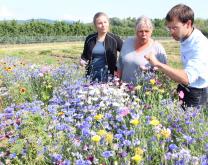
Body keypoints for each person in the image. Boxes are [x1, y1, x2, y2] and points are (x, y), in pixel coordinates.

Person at [145, 4, 208, 109]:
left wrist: (157, 64)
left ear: (188, 24)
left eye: (174, 28)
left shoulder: (199, 45)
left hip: (196, 94)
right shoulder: (186, 36)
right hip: (186, 88)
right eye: (169, 28)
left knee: (188, 124)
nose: (171, 32)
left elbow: (187, 78)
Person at [116, 16, 167, 85]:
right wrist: (117, 84)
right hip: (124, 89)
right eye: (141, 31)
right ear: (136, 31)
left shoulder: (157, 48)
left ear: (151, 31)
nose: (144, 34)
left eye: (147, 31)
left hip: (145, 93)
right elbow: (120, 66)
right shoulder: (127, 43)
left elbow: (163, 73)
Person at [80, 12, 123, 82]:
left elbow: (126, 52)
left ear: (108, 23)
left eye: (105, 22)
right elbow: (84, 56)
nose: (103, 25)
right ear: (95, 25)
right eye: (100, 23)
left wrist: (119, 66)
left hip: (109, 79)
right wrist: (82, 61)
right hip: (91, 78)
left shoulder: (114, 39)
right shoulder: (89, 39)